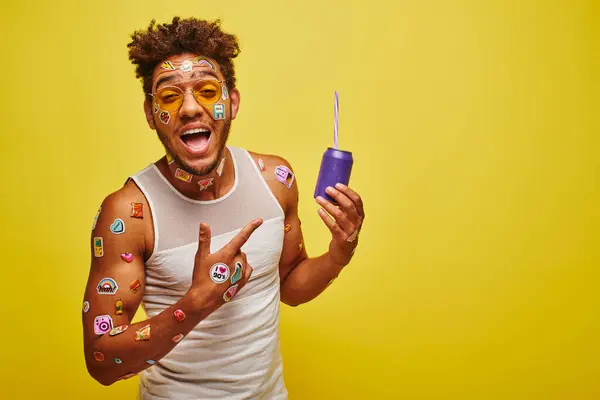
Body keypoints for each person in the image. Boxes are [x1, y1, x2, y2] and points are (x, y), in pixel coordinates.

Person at [81, 16, 365, 399]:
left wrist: (338, 254)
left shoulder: (275, 180)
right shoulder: (130, 212)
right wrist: (196, 304)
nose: (189, 109)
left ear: (231, 103)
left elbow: (290, 286)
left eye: (208, 91)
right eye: (168, 96)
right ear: (151, 115)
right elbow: (101, 361)